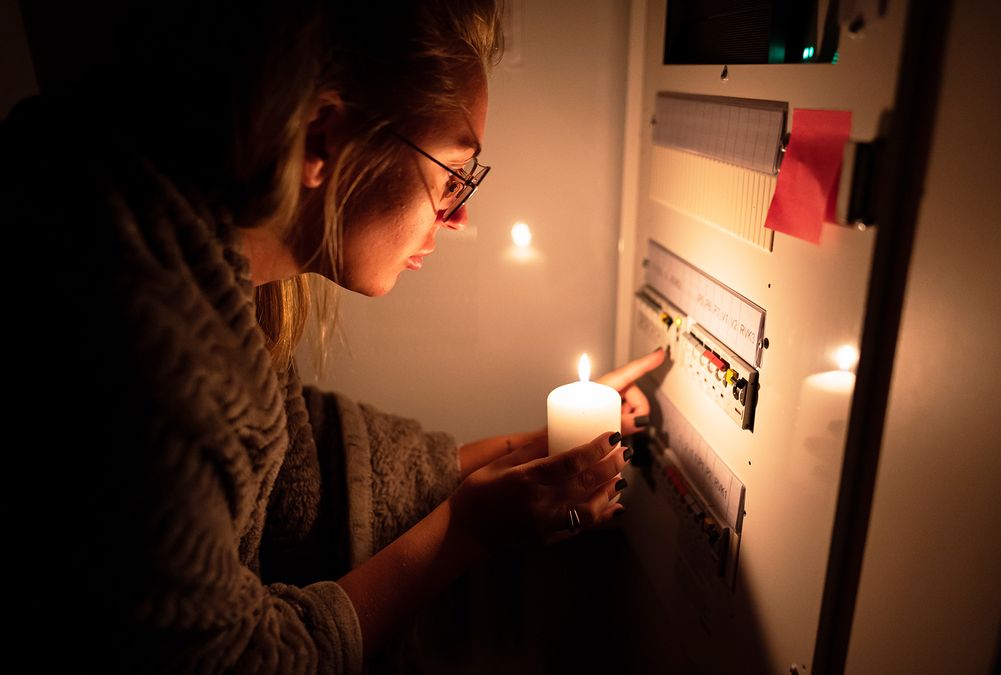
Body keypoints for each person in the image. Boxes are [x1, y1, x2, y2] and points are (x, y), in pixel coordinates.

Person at [3, 0, 664, 672]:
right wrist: (467, 533)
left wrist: (539, 445)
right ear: (323, 138)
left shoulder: (200, 273)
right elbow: (231, 659)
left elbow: (303, 463)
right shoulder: (148, 355)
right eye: (450, 176)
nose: (459, 216)